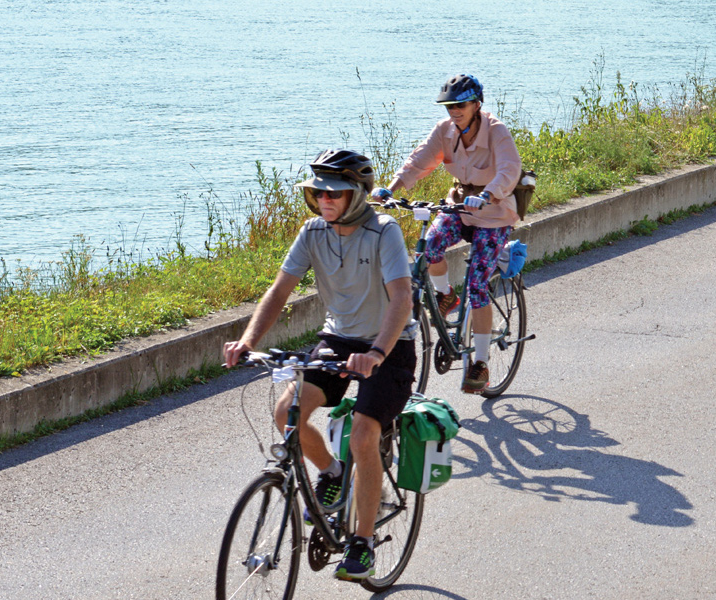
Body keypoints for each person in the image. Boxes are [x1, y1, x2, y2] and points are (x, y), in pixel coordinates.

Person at [223, 149, 417, 582]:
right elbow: (279, 291)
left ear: (358, 195)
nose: (324, 202)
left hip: (389, 344)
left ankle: (362, 543)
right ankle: (331, 472)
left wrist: (378, 354)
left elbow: (401, 299)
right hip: (338, 341)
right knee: (285, 413)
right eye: (317, 194)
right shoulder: (312, 233)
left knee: (365, 434)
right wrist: (249, 340)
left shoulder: (383, 232)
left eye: (334, 195)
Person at [371, 74, 522, 396]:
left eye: (461, 104)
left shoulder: (496, 131)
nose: (454, 110)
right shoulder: (445, 131)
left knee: (479, 286)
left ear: (476, 104)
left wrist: (489, 194)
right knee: (430, 247)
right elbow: (419, 162)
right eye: (450, 105)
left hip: (493, 213)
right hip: (458, 207)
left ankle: (480, 363)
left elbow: (510, 170)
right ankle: (446, 295)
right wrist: (391, 189)